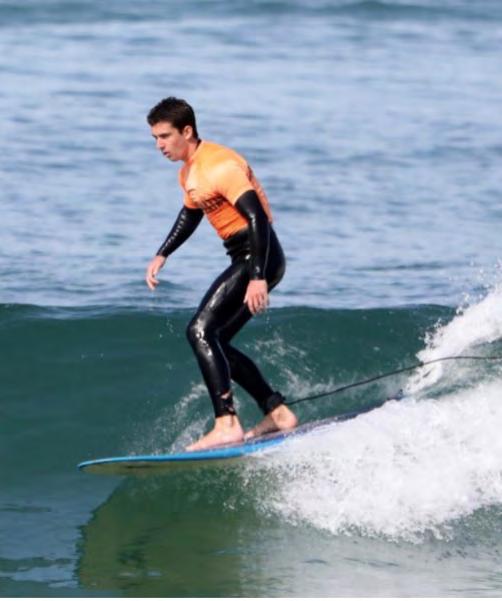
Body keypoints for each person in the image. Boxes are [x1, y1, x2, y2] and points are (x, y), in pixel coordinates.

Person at [145, 97, 297, 451]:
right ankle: (277, 412)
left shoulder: (219, 165)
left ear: (187, 131)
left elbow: (257, 217)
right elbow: (191, 214)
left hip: (258, 255)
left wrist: (257, 276)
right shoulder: (189, 172)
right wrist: (163, 253)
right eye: (154, 138)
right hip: (247, 257)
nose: (159, 145)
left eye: (165, 136)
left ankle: (226, 423)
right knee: (216, 340)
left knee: (199, 330)